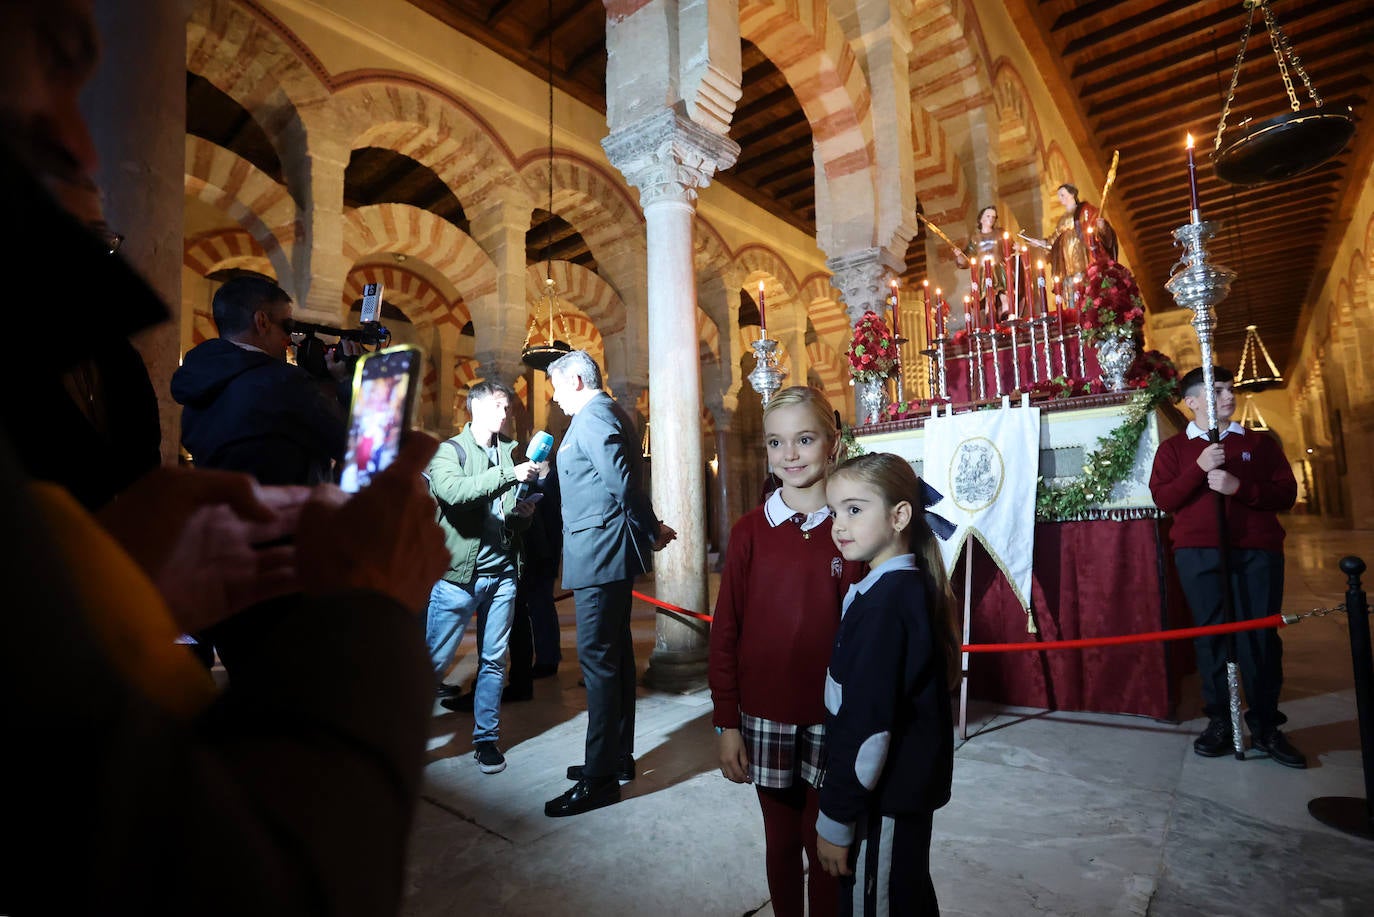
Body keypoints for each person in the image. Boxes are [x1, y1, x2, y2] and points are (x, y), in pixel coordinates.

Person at [1, 3, 452, 910]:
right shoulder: (278, 386)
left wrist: (114, 574)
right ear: (261, 323)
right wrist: (370, 612)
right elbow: (235, 876)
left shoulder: (158, 373)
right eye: (45, 75)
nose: (87, 144)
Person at [708, 385, 867, 917]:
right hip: (765, 717)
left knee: (826, 841)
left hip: (832, 716)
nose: (790, 455)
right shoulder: (750, 532)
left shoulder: (852, 529)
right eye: (776, 443)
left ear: (833, 441)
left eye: (804, 439)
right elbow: (725, 628)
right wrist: (726, 720)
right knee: (780, 839)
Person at [815, 453, 959, 916]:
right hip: (897, 797)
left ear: (900, 516)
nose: (839, 524)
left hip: (884, 800)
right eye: (835, 511)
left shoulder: (885, 605)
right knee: (907, 892)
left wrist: (836, 818)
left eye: (854, 510)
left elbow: (868, 727)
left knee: (877, 902)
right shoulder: (893, 587)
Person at [1148, 366, 1305, 767]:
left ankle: (1267, 723)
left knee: (1260, 637)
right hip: (1199, 553)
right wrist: (1199, 467)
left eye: (1230, 389)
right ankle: (1220, 719)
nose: (1228, 396)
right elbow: (1164, 498)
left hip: (1256, 551)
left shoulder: (1259, 442)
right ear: (1192, 402)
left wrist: (1241, 489)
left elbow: (1285, 492)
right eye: (1216, 391)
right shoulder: (1174, 451)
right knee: (1212, 636)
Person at [542, 350, 675, 817]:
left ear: (576, 380)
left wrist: (651, 527)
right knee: (613, 658)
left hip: (600, 550)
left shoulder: (595, 416)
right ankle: (616, 757)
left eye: (557, 389)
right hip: (603, 548)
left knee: (599, 664)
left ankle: (600, 779)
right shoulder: (605, 413)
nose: (555, 400)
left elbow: (620, 483)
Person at [425, 380, 544, 774]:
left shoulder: (511, 451)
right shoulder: (449, 451)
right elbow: (454, 492)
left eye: (507, 407)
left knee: (493, 661)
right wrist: (509, 475)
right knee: (432, 662)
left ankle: (486, 740)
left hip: (504, 574)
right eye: (497, 405)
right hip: (458, 578)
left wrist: (521, 518)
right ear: (473, 407)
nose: (505, 413)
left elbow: (506, 517)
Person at [171, 275, 350, 487]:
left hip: (223, 513)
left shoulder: (199, 383)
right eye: (288, 325)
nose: (290, 338)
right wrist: (346, 381)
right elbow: (350, 444)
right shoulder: (284, 382)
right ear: (262, 322)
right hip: (283, 514)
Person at [955, 205, 1010, 320]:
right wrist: (959, 255)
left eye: (993, 217)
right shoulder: (975, 238)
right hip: (984, 271)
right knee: (989, 297)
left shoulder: (999, 234)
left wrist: (1016, 247)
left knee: (1003, 294)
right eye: (988, 216)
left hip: (999, 268)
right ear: (981, 219)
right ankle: (990, 318)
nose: (991, 219)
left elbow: (1009, 247)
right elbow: (967, 257)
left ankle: (1007, 312)